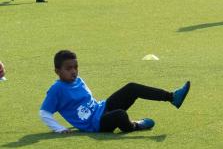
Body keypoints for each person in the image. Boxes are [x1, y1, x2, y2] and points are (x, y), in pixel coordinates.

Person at [39, 50, 190, 134]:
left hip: (102, 108)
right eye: (68, 68)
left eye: (75, 67)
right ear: (57, 71)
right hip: (96, 124)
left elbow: (85, 103)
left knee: (131, 88)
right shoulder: (56, 89)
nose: (73, 71)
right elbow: (44, 112)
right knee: (120, 114)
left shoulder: (78, 80)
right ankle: (135, 126)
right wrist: (60, 129)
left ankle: (172, 97)